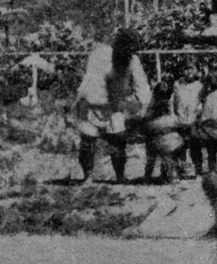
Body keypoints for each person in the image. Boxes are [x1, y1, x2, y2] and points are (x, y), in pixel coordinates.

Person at [74, 28, 151, 183]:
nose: (130, 53)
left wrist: (140, 105)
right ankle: (87, 176)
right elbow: (90, 83)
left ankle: (120, 177)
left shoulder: (132, 60)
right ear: (120, 44)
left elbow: (142, 85)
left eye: (133, 50)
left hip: (116, 107)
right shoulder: (99, 55)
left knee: (118, 141)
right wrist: (88, 101)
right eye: (128, 48)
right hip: (94, 105)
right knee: (88, 141)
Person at [142, 78, 184, 183]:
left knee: (153, 155)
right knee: (168, 154)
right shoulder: (164, 104)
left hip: (156, 134)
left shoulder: (154, 103)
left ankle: (148, 176)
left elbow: (146, 119)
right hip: (164, 134)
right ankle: (168, 176)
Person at [172, 58, 204, 176]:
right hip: (180, 120)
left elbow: (201, 102)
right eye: (186, 69)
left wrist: (198, 113)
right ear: (182, 70)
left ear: (196, 70)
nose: (189, 71)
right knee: (181, 146)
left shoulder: (199, 86)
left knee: (195, 146)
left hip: (194, 120)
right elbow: (173, 102)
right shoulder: (177, 84)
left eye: (191, 68)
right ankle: (182, 170)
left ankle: (198, 169)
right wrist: (175, 117)